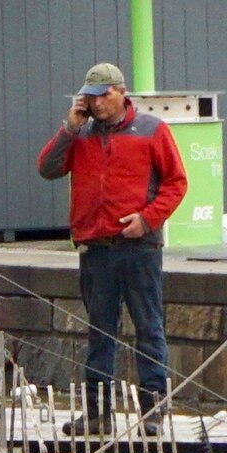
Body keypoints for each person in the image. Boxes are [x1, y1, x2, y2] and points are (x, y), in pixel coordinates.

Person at [35, 64, 186, 423]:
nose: (97, 103)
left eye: (104, 95)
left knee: (149, 328)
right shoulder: (80, 134)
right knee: (100, 333)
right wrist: (70, 127)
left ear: (122, 92)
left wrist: (148, 220)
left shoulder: (153, 130)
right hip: (96, 247)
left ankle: (153, 412)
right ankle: (97, 414)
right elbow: (47, 168)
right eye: (91, 96)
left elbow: (176, 183)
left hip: (139, 247)